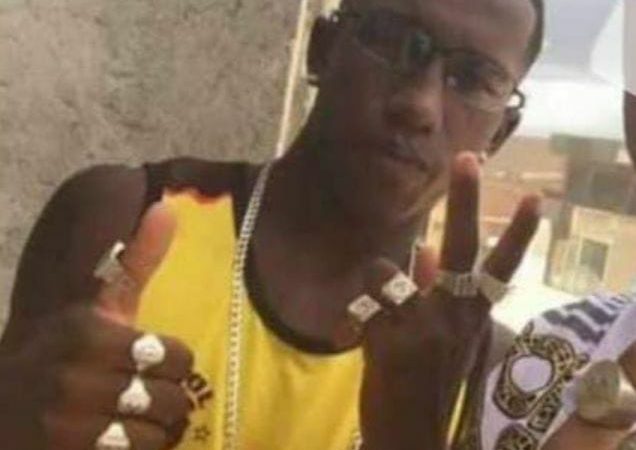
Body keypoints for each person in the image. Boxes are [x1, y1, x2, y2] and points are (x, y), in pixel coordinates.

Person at [0, 0, 545, 448]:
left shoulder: (483, 369)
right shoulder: (123, 217)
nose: (419, 105)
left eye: (474, 79)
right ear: (322, 48)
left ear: (500, 134)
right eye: (392, 39)